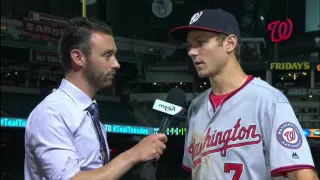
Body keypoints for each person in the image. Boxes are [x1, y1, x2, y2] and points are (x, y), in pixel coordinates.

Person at [169, 9, 318, 180]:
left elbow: (304, 175)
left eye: (200, 42)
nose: (191, 52)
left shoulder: (269, 101)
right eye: (190, 45)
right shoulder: (196, 107)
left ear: (230, 43)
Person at [24, 17, 168, 180]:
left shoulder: (89, 111)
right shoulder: (52, 113)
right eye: (107, 56)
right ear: (78, 58)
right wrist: (133, 155)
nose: (116, 64)